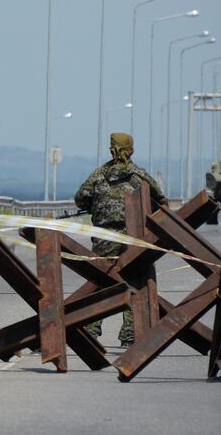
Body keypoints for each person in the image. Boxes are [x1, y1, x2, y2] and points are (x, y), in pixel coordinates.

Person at [74, 132, 166, 347]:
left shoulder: (98, 175)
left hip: (104, 240)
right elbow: (160, 200)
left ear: (111, 149)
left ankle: (91, 329)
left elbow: (81, 199)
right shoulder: (140, 176)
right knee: (133, 282)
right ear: (131, 149)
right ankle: (131, 334)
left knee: (101, 283)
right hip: (132, 241)